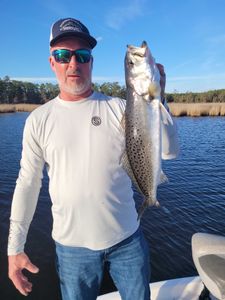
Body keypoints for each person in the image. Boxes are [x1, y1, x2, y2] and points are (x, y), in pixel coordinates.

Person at [7, 18, 179, 300]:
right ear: (52, 62)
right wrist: (15, 247)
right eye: (63, 55)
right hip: (70, 248)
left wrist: (160, 100)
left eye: (82, 55)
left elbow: (169, 152)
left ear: (91, 62)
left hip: (128, 240)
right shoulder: (38, 120)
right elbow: (27, 183)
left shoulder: (121, 107)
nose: (73, 63)